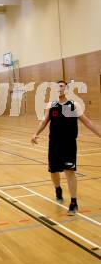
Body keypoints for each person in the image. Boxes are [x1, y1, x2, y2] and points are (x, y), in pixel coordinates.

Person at [31, 80, 101, 214]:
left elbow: (87, 122)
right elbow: (44, 121)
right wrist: (35, 133)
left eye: (62, 86)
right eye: (57, 87)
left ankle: (73, 202)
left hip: (69, 144)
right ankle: (58, 188)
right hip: (54, 144)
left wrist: (100, 135)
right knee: (53, 171)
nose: (59, 88)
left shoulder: (74, 105)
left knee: (69, 171)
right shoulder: (51, 105)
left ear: (67, 89)